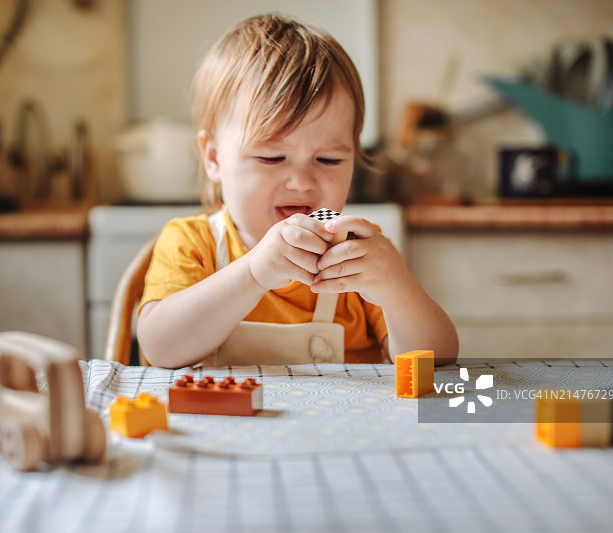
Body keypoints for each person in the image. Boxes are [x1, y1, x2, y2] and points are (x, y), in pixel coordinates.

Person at [136, 13, 458, 369]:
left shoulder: (358, 252)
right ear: (213, 158)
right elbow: (159, 349)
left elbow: (437, 360)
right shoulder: (193, 244)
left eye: (328, 159)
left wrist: (397, 290)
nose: (302, 181)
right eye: (272, 158)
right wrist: (254, 273)